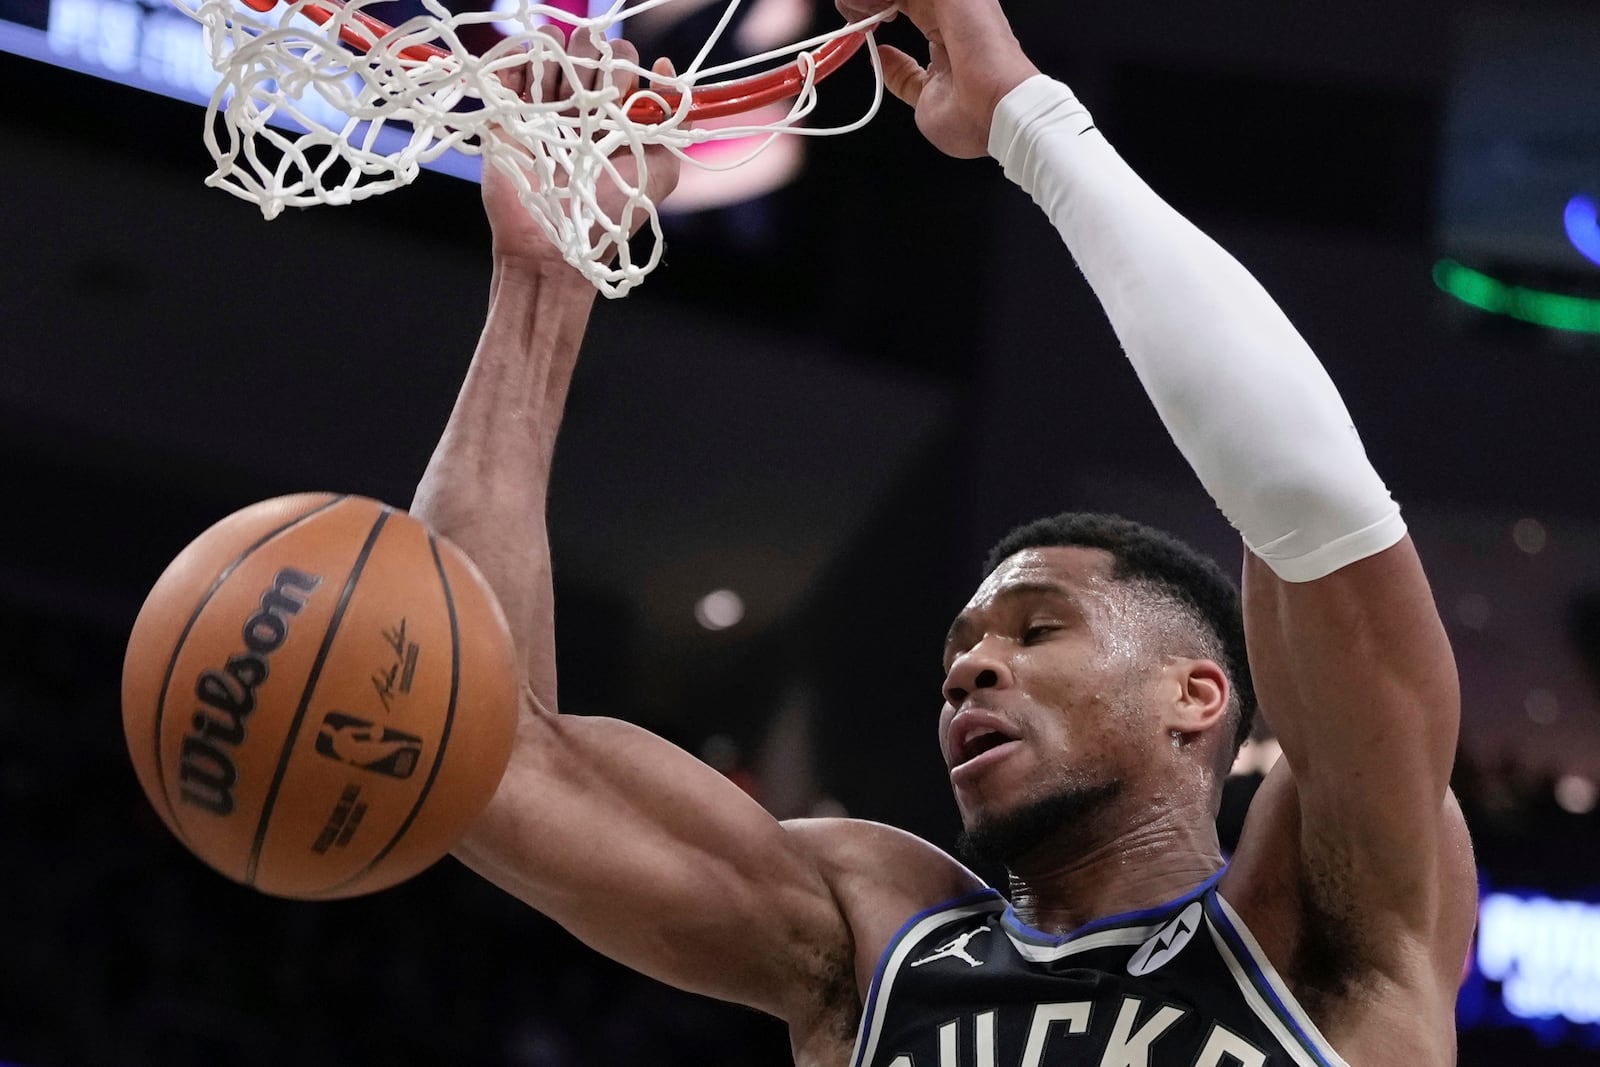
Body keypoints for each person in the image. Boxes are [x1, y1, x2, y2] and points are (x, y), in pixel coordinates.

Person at [410, 1, 1477, 1063]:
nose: (970, 668)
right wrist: (542, 281)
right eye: (960, 647)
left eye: (1036, 628)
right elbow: (485, 754)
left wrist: (1027, 120)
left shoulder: (1327, 923)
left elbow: (1306, 492)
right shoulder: (875, 933)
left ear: (1192, 696)